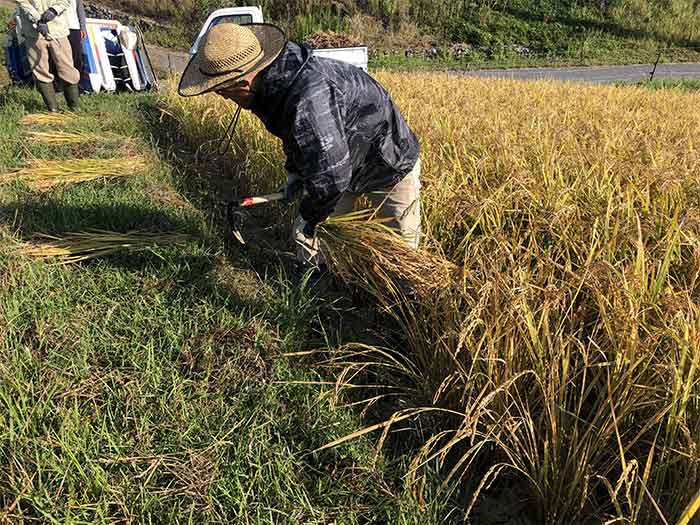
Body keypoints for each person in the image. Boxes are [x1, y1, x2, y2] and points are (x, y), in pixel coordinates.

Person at [178, 23, 421, 281]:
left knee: (399, 255)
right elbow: (298, 138)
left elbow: (332, 178)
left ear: (243, 80)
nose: (224, 98)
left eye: (222, 90)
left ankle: (403, 310)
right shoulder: (272, 85)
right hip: (343, 161)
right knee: (329, 239)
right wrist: (295, 173)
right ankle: (320, 292)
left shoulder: (307, 97)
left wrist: (308, 219)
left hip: (389, 163)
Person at [14, 0, 80, 112]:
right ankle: (53, 109)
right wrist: (38, 19)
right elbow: (22, 2)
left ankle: (74, 108)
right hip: (33, 32)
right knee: (40, 70)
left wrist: (54, 10)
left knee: (67, 68)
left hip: (58, 30)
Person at [65, 0, 86, 83]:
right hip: (57, 28)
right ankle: (58, 86)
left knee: (77, 57)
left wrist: (83, 27)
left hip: (74, 27)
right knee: (58, 58)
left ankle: (79, 84)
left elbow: (80, 9)